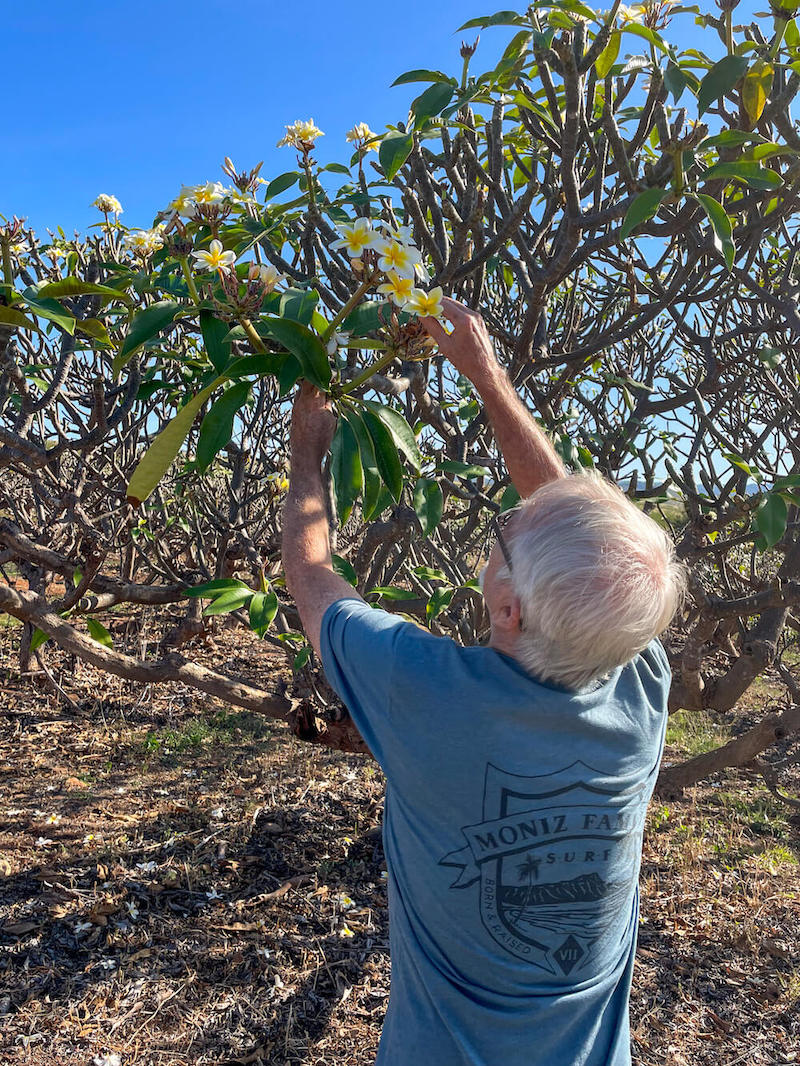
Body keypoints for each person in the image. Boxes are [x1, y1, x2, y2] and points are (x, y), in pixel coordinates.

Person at [282, 297, 686, 1066]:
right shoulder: (639, 680)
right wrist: (487, 377)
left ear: (507, 609)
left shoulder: (423, 692)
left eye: (509, 529)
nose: (511, 515)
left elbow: (312, 579)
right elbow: (579, 541)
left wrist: (308, 453)